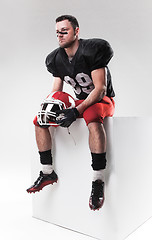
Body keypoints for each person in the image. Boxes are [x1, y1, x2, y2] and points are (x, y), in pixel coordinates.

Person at [27, 15, 115, 211]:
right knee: (41, 118)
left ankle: (98, 180)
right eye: (57, 32)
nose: (60, 35)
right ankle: (47, 171)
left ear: (77, 31)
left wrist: (75, 111)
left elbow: (100, 89)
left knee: (92, 115)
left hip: (101, 100)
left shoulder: (92, 50)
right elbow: (56, 91)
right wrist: (50, 108)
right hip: (78, 101)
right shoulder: (56, 58)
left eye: (64, 31)